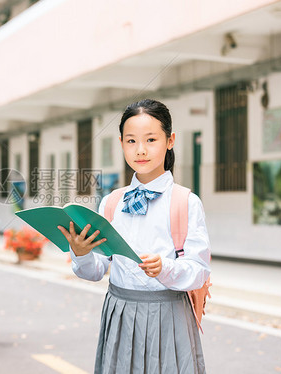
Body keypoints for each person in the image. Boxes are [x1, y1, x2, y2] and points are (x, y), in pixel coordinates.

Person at [58, 99, 211, 373]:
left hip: (169, 316)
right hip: (120, 314)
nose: (140, 150)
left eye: (151, 139)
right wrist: (81, 254)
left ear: (170, 140)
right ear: (121, 144)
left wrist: (165, 268)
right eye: (131, 141)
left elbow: (199, 271)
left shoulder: (185, 202)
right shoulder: (111, 203)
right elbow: (96, 270)